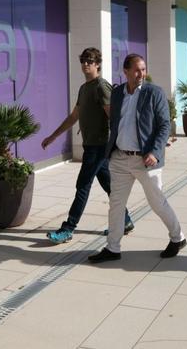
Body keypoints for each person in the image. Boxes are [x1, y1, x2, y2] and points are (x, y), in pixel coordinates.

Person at [88, 53, 185, 263]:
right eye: (137, 69)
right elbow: (116, 123)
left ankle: (178, 237)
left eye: (143, 69)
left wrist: (154, 151)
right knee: (116, 204)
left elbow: (164, 126)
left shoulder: (154, 93)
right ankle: (113, 248)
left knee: (157, 202)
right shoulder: (117, 93)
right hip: (120, 158)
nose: (141, 73)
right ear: (125, 71)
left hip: (146, 160)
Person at [41, 47, 133, 244]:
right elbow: (74, 116)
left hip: (99, 146)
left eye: (89, 61)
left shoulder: (101, 86)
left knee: (82, 185)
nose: (85, 64)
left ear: (97, 64)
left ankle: (68, 228)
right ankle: (125, 220)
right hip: (90, 144)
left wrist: (118, 143)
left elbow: (114, 116)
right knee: (109, 186)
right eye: (83, 61)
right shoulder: (84, 88)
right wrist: (53, 136)